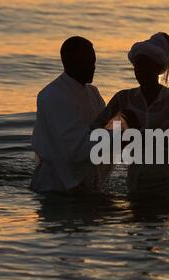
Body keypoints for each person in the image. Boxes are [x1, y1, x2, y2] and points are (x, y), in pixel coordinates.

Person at [91, 32, 169, 197]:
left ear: (157, 68)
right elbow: (95, 129)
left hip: (166, 178)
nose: (140, 71)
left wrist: (135, 131)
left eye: (146, 66)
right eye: (137, 66)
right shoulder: (123, 98)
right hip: (136, 176)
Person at [30, 36, 111, 193]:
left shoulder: (93, 93)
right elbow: (76, 146)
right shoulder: (53, 95)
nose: (93, 67)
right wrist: (122, 134)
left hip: (87, 184)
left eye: (93, 62)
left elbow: (105, 126)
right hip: (54, 187)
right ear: (69, 63)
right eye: (86, 63)